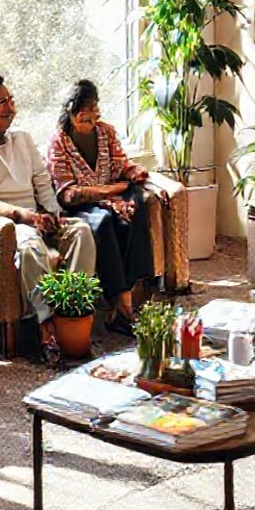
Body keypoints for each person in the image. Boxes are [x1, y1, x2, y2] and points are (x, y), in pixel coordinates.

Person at [0, 76, 97, 366]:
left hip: (38, 214)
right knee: (30, 247)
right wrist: (22, 216)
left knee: (81, 231)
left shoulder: (23, 138)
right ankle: (47, 329)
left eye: (11, 100)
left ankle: (73, 313)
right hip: (10, 223)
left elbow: (42, 180)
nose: (11, 107)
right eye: (2, 102)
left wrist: (54, 212)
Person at [46, 80, 152, 335]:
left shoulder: (106, 132)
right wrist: (108, 191)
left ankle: (133, 290)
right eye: (84, 109)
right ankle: (122, 297)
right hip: (81, 206)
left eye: (94, 107)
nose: (91, 115)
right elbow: (67, 195)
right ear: (71, 111)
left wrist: (134, 171)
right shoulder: (58, 142)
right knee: (104, 221)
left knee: (137, 203)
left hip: (110, 197)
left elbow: (121, 164)